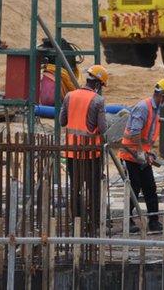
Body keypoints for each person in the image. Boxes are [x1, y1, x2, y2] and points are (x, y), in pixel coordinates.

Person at [119, 77, 164, 233]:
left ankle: (153, 221)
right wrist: (140, 152)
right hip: (130, 155)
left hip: (141, 155)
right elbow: (135, 132)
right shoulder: (143, 107)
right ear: (163, 95)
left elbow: (147, 136)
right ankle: (128, 221)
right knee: (134, 187)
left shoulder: (155, 109)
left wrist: (147, 152)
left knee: (150, 187)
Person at [60, 65, 109, 234]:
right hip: (90, 152)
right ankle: (94, 223)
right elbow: (103, 129)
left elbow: (62, 121)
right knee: (93, 188)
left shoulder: (69, 96)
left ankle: (77, 222)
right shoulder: (98, 100)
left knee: (75, 187)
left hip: (72, 150)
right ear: (98, 84)